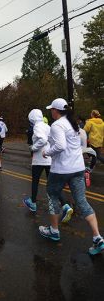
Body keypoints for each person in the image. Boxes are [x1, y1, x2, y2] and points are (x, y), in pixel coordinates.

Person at [39, 98, 104, 255]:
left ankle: (54, 230)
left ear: (56, 110)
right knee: (81, 201)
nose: (51, 111)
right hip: (78, 168)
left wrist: (47, 152)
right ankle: (97, 237)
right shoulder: (73, 124)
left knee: (52, 195)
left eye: (52, 109)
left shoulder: (57, 125)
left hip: (61, 169)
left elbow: (60, 146)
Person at [23, 109, 73, 223]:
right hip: (49, 158)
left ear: (32, 118)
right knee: (53, 184)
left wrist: (33, 148)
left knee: (35, 181)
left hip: (39, 159)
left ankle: (33, 203)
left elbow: (43, 139)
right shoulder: (47, 126)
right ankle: (65, 205)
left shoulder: (37, 126)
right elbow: (52, 140)